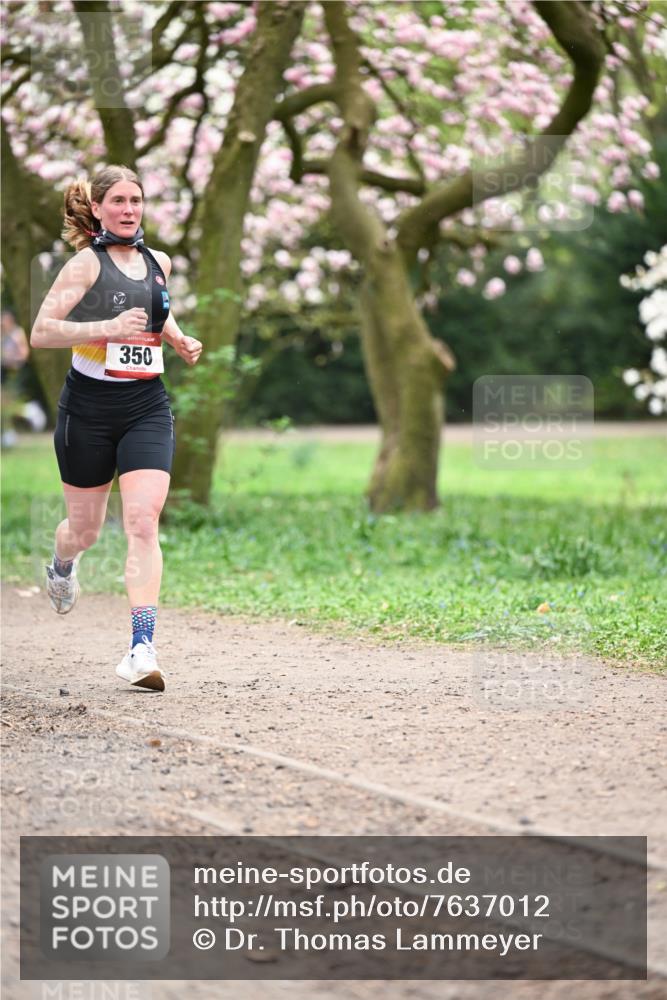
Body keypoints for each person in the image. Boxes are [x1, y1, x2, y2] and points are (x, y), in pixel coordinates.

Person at [30, 165, 203, 692]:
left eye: (137, 200)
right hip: (87, 411)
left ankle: (141, 647)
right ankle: (63, 564)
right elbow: (42, 332)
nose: (129, 209)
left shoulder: (159, 262)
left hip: (146, 405)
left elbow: (155, 312)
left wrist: (175, 337)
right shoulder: (85, 265)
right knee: (83, 527)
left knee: (143, 522)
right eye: (119, 201)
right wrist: (105, 328)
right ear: (99, 208)